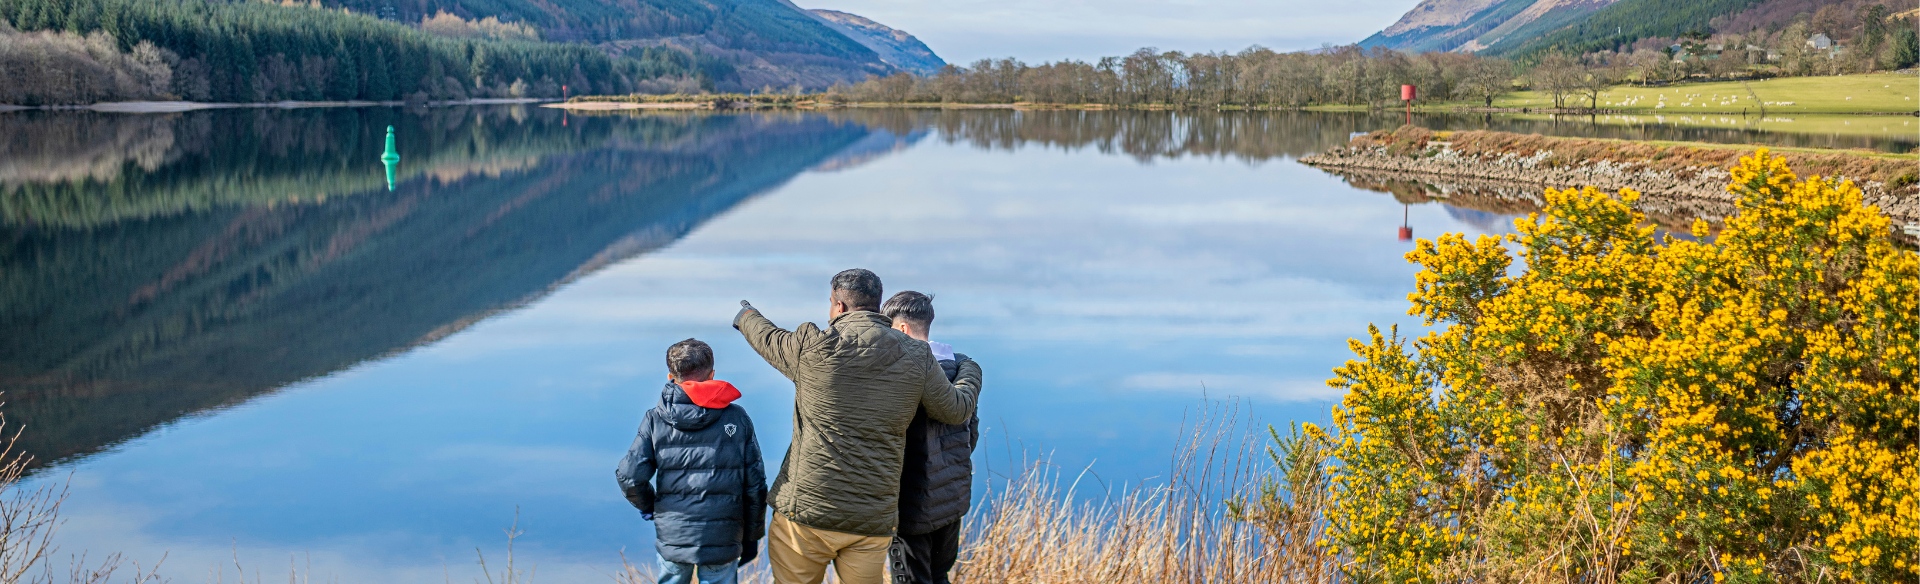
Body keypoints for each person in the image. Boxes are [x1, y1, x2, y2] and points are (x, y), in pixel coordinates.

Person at [733, 269, 983, 584]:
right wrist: (970, 369)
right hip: (871, 520)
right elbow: (955, 409)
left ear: (838, 306)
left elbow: (767, 337)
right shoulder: (917, 355)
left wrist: (746, 315)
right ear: (877, 305)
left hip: (806, 513)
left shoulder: (811, 345)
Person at [617, 339, 768, 584]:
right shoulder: (736, 418)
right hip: (724, 536)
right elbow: (755, 485)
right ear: (712, 375)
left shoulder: (655, 419)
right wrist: (752, 535)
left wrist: (649, 507)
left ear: (670, 376)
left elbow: (629, 476)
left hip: (674, 534)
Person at [880, 291, 977, 584]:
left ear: (902, 329)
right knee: (939, 576)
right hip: (952, 501)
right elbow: (969, 438)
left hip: (911, 509)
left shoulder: (900, 377)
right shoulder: (959, 371)